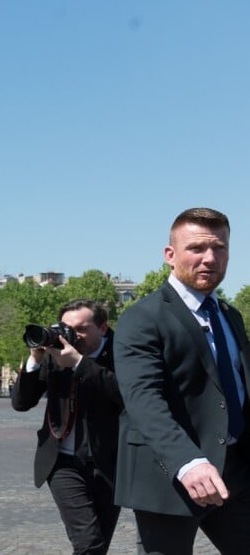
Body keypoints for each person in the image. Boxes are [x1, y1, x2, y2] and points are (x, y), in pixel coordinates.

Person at [114, 207, 250, 554]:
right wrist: (188, 462)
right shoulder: (142, 318)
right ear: (170, 256)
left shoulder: (230, 315)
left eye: (220, 248)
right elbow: (143, 399)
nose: (210, 258)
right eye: (197, 248)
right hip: (170, 476)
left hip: (235, 471)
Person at [12, 299, 123, 554]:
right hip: (62, 462)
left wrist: (79, 363)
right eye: (66, 327)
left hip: (109, 463)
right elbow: (21, 403)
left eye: (82, 328)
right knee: (89, 543)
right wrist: (35, 360)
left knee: (98, 545)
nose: (73, 335)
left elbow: (125, 394)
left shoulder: (122, 352)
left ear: (103, 328)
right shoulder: (56, 352)